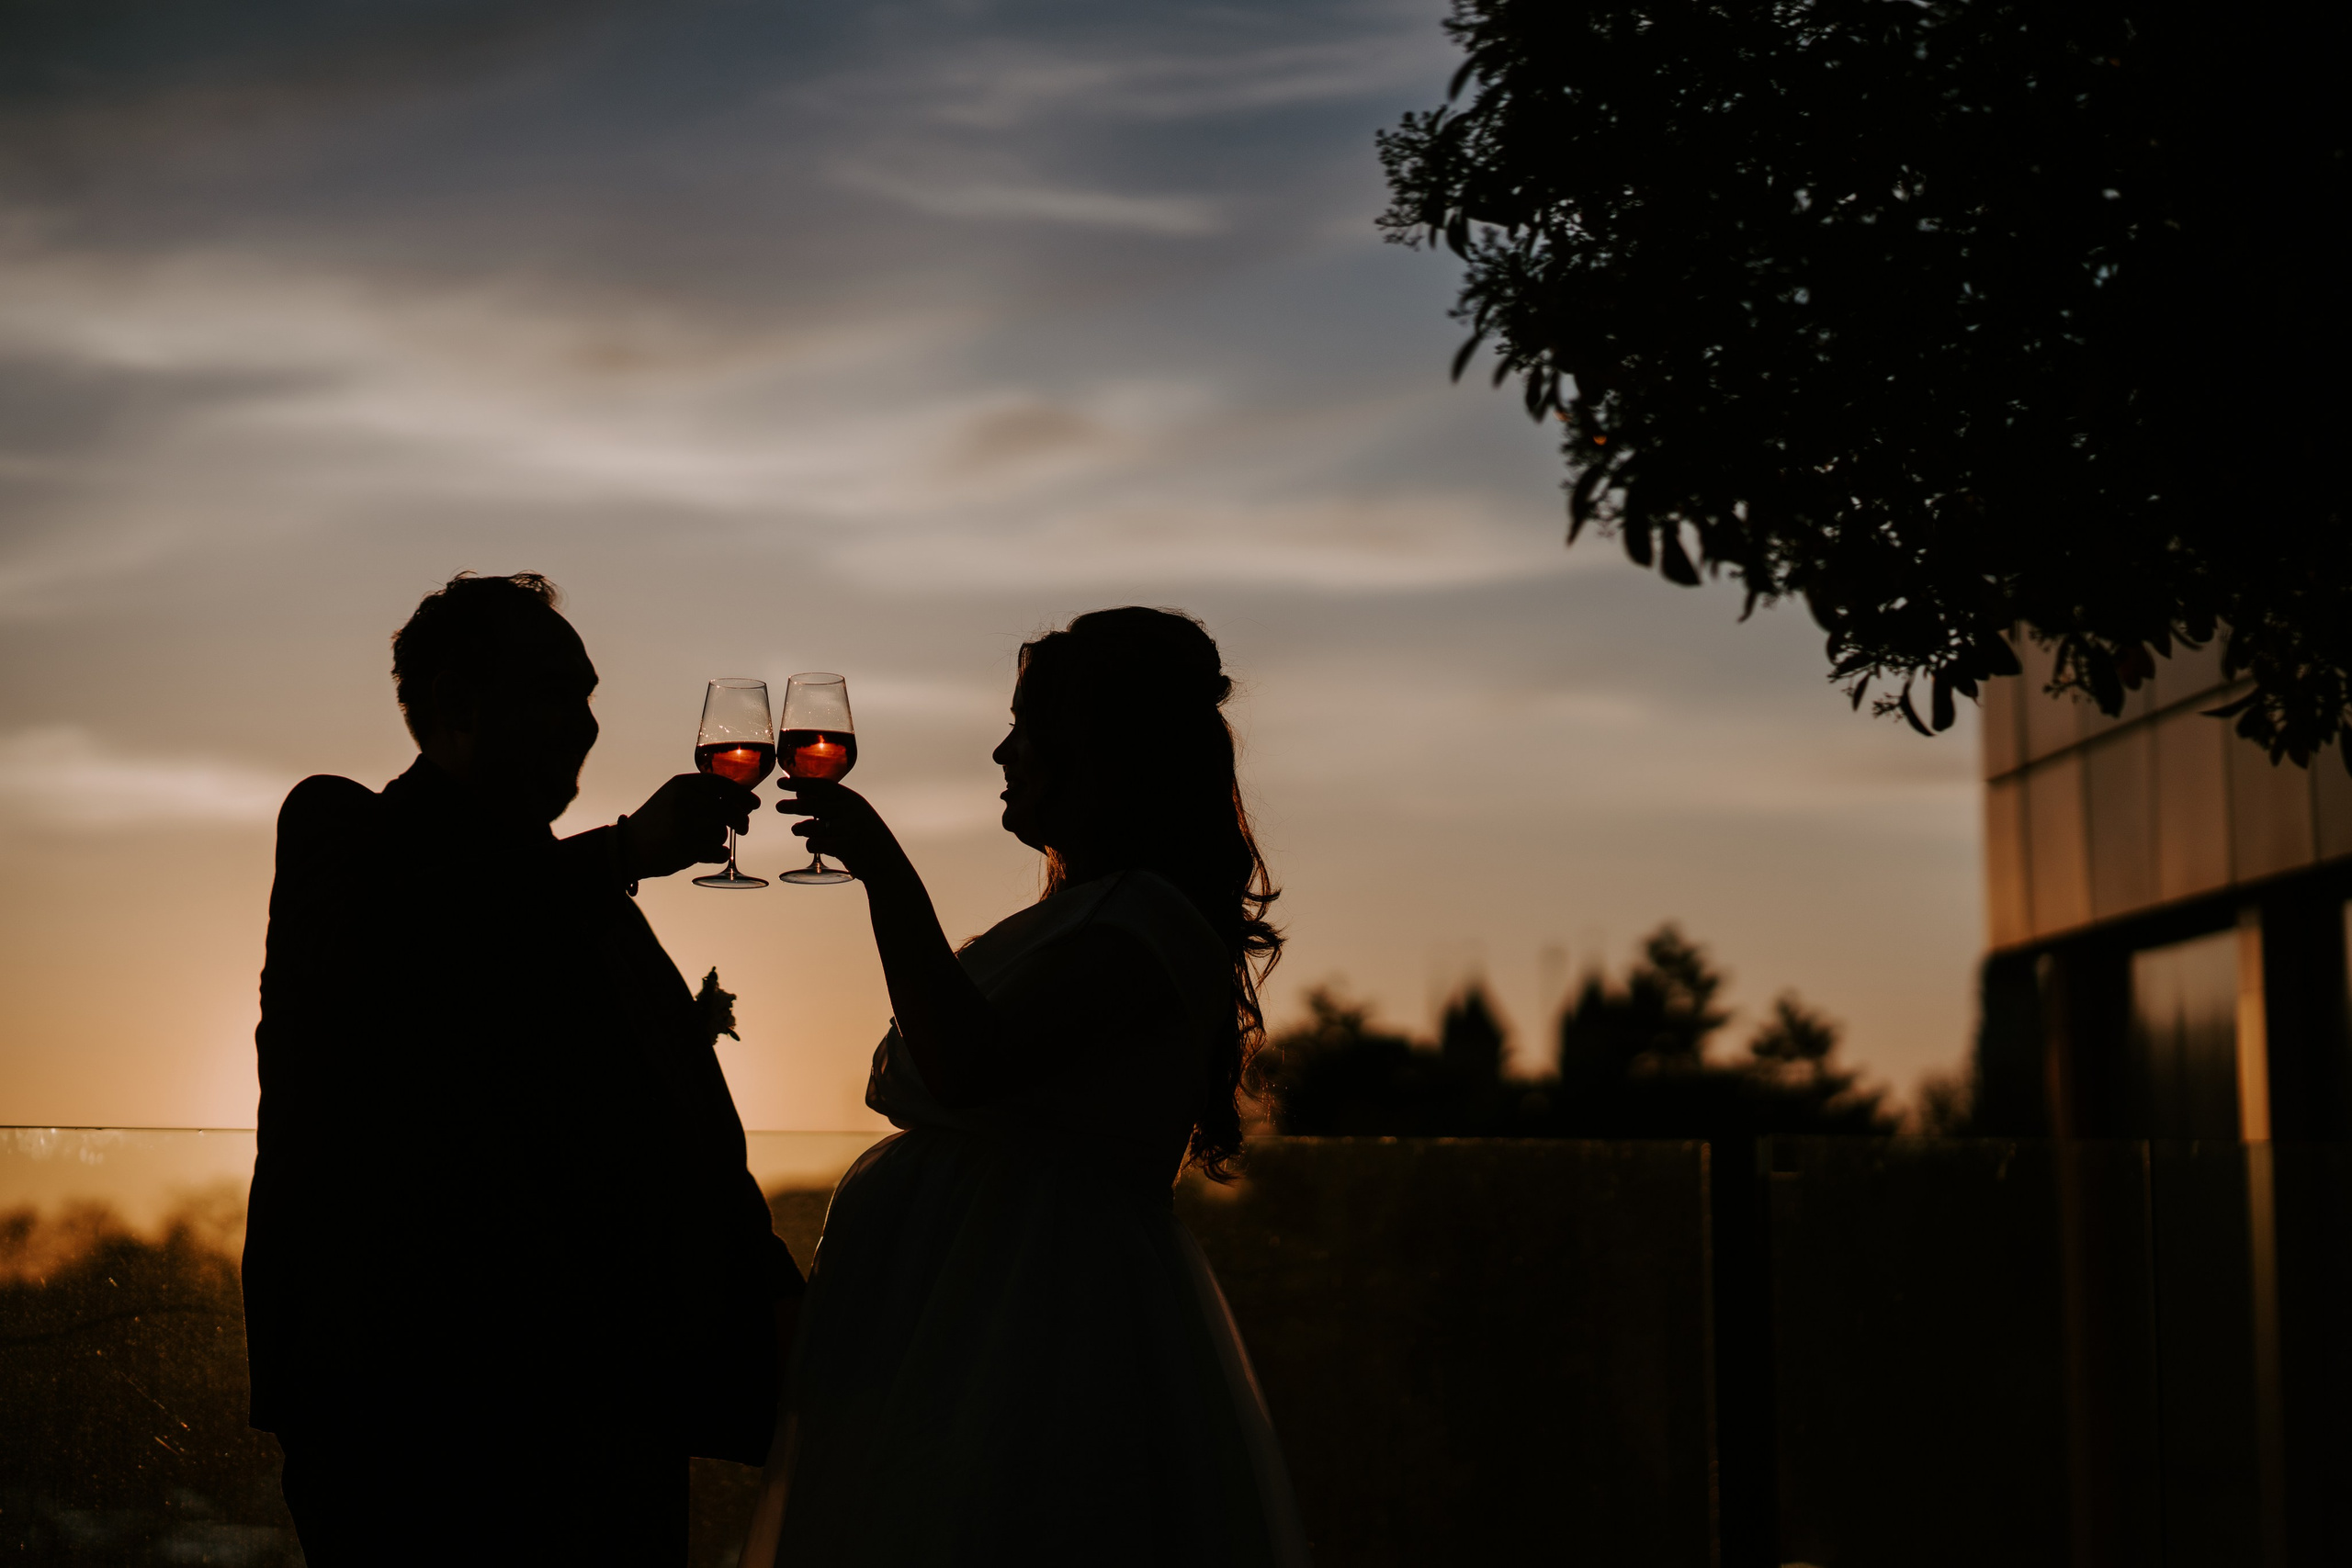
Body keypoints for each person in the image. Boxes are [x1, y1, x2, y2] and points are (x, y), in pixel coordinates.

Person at [243, 571, 803, 1565]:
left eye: (590, 696)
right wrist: (627, 847)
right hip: (410, 1417)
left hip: (602, 1405)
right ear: (455, 711)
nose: (586, 727)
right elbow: (417, 940)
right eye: (555, 694)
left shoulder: (590, 902)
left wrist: (777, 1303)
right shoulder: (345, 835)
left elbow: (675, 1126)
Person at [743, 606, 1310, 1567]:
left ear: (1099, 752)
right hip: (975, 1318)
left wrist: (883, 869)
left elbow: (964, 1063)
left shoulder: (1141, 923)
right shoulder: (1095, 912)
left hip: (1026, 1335)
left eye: (1026, 727)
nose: (1004, 752)